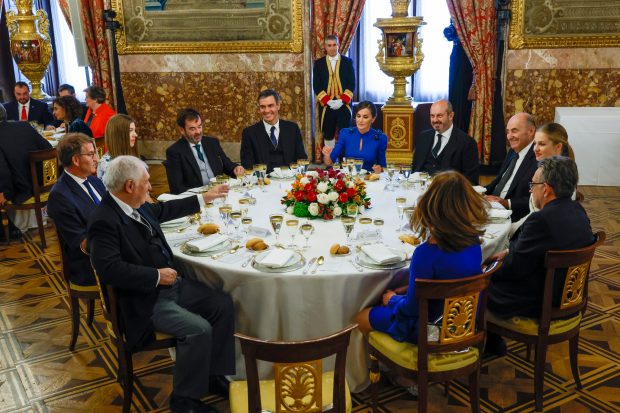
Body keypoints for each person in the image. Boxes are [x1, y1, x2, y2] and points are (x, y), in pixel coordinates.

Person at [88, 156, 235, 412]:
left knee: (222, 304)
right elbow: (109, 269)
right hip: (145, 299)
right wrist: (155, 276)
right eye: (146, 182)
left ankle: (213, 376)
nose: (150, 187)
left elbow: (164, 210)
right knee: (198, 329)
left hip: (170, 286)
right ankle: (184, 400)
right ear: (130, 186)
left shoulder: (136, 204)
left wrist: (206, 198)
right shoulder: (104, 220)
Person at [355, 171, 488, 344]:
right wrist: (404, 291)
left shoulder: (426, 253)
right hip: (462, 326)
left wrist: (393, 299)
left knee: (361, 317)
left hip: (430, 331)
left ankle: (382, 368)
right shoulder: (474, 243)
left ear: (430, 206)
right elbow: (441, 280)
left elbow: (411, 309)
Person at [485, 157, 595, 353]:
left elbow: (514, 269)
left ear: (545, 188)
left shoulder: (541, 220)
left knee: (477, 286)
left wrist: (486, 271)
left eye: (533, 184)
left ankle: (484, 346)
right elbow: (535, 253)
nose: (530, 190)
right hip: (567, 297)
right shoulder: (578, 210)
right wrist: (510, 253)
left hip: (539, 302)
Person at [47, 133, 104, 286]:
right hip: (90, 266)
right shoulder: (60, 196)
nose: (97, 159)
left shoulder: (93, 180)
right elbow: (83, 243)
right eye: (91, 154)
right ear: (76, 160)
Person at [509, 122, 575, 236]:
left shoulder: (561, 177)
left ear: (558, 146)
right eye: (535, 143)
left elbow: (543, 221)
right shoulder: (545, 168)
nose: (535, 149)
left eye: (542, 144)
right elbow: (533, 214)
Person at [0, 104, 52, 237]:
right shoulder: (24, 125)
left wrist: (4, 192)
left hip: (20, 189)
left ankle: (10, 230)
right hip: (44, 183)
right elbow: (48, 148)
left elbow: (3, 170)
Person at [166, 108, 244, 194]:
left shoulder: (212, 143)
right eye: (192, 129)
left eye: (199, 126)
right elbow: (177, 188)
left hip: (220, 192)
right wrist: (203, 195)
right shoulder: (174, 152)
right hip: (197, 198)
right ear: (182, 130)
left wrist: (235, 168)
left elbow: (226, 164)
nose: (198, 132)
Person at [485, 112, 538, 222]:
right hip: (492, 207)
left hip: (513, 216)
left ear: (531, 131)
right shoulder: (512, 151)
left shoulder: (538, 157)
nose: (509, 136)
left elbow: (537, 199)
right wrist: (479, 192)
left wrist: (506, 203)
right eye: (508, 132)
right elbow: (499, 181)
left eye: (514, 131)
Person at [411, 99, 479, 184]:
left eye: (439, 116)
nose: (435, 120)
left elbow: (470, 181)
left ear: (451, 116)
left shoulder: (467, 143)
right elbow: (415, 169)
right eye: (432, 116)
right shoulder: (423, 137)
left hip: (449, 193)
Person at [240, 89, 307, 173]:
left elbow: (302, 159)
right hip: (264, 183)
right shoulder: (249, 133)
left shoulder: (293, 129)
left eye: (270, 105)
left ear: (278, 105)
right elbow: (247, 165)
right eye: (262, 107)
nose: (267, 110)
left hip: (290, 181)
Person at [312, 34, 355, 146]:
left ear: (338, 45)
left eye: (334, 45)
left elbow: (351, 84)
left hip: (344, 105)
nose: (332, 48)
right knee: (328, 133)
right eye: (329, 45)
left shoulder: (348, 62)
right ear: (325, 47)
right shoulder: (318, 64)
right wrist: (328, 101)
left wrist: (342, 100)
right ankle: (330, 160)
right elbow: (317, 85)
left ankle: (345, 161)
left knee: (346, 133)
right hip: (327, 106)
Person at [322, 101, 387, 173]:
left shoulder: (380, 138)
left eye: (365, 117)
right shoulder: (345, 134)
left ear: (373, 119)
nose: (360, 120)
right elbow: (328, 162)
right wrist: (327, 155)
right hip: (349, 179)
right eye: (358, 116)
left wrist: (379, 169)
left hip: (369, 179)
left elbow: (383, 166)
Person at [97, 114, 140, 179]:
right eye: (130, 130)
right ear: (118, 134)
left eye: (134, 130)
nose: (135, 135)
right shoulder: (106, 165)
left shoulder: (131, 157)